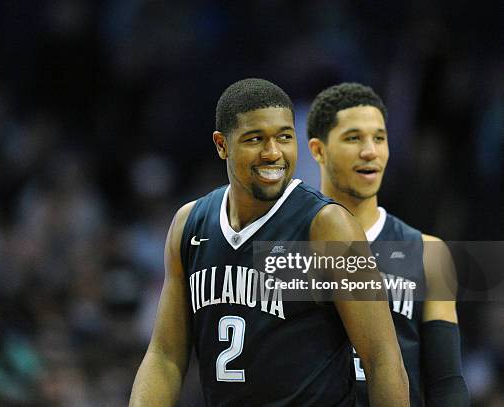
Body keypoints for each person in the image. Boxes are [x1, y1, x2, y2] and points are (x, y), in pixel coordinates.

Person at [130, 78, 409, 406]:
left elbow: (382, 360)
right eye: (255, 139)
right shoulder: (190, 225)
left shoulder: (327, 227)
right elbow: (165, 356)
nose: (273, 152)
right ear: (222, 145)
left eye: (284, 137)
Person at [306, 82, 470, 407]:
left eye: (379, 138)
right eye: (354, 138)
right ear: (318, 150)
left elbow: (446, 382)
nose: (371, 151)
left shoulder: (428, 252)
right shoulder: (284, 247)